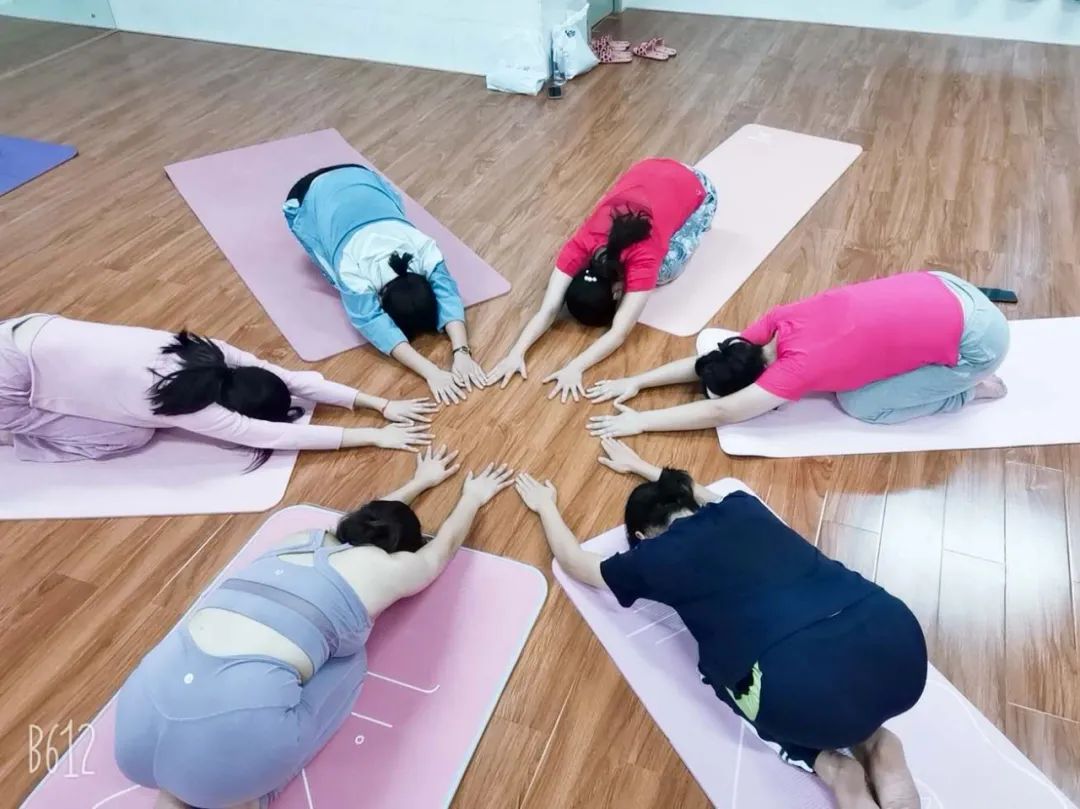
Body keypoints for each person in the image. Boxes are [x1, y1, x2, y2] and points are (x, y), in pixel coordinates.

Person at [515, 438, 927, 809]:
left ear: (640, 535)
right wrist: (642, 466)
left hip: (801, 694)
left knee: (721, 674)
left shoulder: (652, 558)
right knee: (847, 696)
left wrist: (546, 505)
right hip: (898, 647)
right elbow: (696, 490)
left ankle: (833, 768)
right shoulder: (742, 507)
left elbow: (574, 561)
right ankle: (877, 742)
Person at [114, 446, 515, 809]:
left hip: (134, 733)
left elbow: (361, 519)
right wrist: (472, 497)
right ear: (398, 550)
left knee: (212, 728)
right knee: (350, 658)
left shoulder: (301, 538)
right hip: (228, 764)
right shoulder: (386, 568)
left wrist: (419, 482)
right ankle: (245, 800)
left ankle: (185, 788)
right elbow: (440, 552)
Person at [586, 270, 1010, 438]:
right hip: (946, 283)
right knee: (862, 366)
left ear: (759, 383)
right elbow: (709, 360)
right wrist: (637, 381)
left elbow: (723, 411)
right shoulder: (775, 323)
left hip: (982, 340)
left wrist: (642, 422)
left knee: (860, 403)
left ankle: (966, 390)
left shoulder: (793, 372)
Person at [0, 314, 435, 466]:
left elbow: (292, 378)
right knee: (128, 435)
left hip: (31, 326)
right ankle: (11, 435)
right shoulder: (194, 409)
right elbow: (277, 435)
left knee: (133, 421)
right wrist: (374, 435)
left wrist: (381, 404)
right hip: (10, 380)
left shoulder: (214, 353)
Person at [486, 157, 718, 402]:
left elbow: (619, 332)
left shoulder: (645, 261)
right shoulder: (581, 244)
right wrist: (515, 353)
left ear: (618, 291)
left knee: (666, 270)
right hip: (651, 164)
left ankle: (693, 208)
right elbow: (549, 309)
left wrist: (575, 367)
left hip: (699, 186)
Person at [283, 164, 488, 405]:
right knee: (329, 266)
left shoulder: (422, 247)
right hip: (307, 192)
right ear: (379, 299)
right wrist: (430, 371)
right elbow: (372, 322)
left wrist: (462, 353)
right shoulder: (351, 269)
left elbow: (447, 293)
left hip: (361, 174)